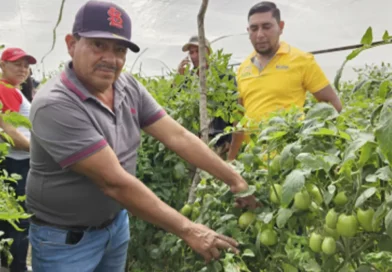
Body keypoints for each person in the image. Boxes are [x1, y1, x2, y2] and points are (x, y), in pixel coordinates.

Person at [26, 1, 257, 271]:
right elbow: (114, 183)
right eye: (98, 45)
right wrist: (190, 229)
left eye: (120, 49)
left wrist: (234, 179)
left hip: (115, 225)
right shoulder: (55, 104)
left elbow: (178, 135)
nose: (111, 59)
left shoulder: (126, 85)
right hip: (65, 243)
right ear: (71, 44)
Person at [227, 1, 343, 161]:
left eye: (266, 27)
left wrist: (319, 144)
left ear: (281, 27)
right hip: (253, 165)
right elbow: (239, 118)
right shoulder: (243, 67)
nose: (260, 34)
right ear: (248, 31)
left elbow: (332, 106)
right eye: (254, 28)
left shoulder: (302, 61)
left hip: (290, 160)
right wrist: (231, 159)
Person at [0, 47, 36, 272]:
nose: (23, 69)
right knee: (21, 221)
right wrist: (41, 151)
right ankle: (19, 268)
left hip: (14, 162)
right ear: (2, 65)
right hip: (18, 163)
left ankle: (6, 264)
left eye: (26, 65)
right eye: (17, 64)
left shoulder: (11, 89)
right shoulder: (6, 90)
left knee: (8, 218)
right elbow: (7, 131)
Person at [177, 36, 235, 157]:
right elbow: (176, 106)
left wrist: (230, 140)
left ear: (208, 52)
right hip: (194, 143)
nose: (194, 56)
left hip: (218, 141)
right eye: (191, 52)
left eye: (198, 51)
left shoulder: (223, 76)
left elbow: (235, 109)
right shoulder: (188, 79)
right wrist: (179, 79)